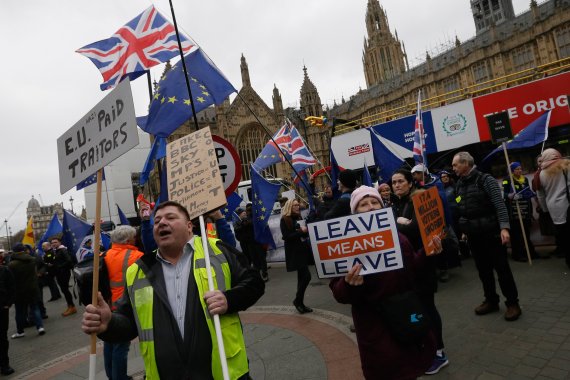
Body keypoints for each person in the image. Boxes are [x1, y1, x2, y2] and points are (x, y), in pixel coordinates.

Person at [82, 201, 264, 380]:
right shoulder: (138, 270)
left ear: (189, 226)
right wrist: (109, 323)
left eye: (170, 217)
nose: (161, 222)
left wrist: (229, 299)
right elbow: (129, 322)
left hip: (223, 372)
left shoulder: (216, 251)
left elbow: (254, 282)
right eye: (157, 220)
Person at [329, 186, 438, 380]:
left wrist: (429, 253)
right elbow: (339, 293)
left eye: (374, 202)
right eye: (363, 204)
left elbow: (414, 269)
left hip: (406, 319)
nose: (370, 207)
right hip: (376, 328)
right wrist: (349, 284)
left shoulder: (400, 238)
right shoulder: (345, 247)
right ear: (354, 213)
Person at [390, 169, 449, 375]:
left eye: (400, 181)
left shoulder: (419, 199)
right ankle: (425, 348)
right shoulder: (396, 204)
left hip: (423, 263)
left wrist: (397, 224)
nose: (396, 185)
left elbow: (417, 229)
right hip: (407, 266)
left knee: (428, 308)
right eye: (394, 182)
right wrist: (401, 223)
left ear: (410, 183)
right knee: (417, 310)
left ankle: (439, 353)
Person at [452, 152, 522, 321]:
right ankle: (491, 300)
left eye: (455, 165)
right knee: (483, 271)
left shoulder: (486, 180)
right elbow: (462, 209)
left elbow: (500, 205)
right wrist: (464, 229)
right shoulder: (459, 184)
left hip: (491, 233)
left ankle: (513, 304)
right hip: (474, 236)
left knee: (502, 269)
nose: (453, 168)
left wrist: (504, 228)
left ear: (466, 163)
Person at [102, 226, 144, 380]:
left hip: (107, 305)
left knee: (109, 342)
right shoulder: (137, 256)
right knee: (121, 344)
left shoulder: (105, 255)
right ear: (128, 240)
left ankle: (111, 375)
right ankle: (119, 378)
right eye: (134, 237)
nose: (135, 239)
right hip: (125, 306)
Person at [536, 148, 570, 268]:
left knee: (563, 235)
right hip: (567, 205)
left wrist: (545, 209)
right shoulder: (565, 166)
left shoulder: (541, 173)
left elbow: (540, 195)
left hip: (554, 208)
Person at [281, 198, 313, 314]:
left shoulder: (299, 217)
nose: (297, 207)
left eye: (297, 205)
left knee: (302, 278)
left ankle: (300, 303)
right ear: (289, 206)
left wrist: (306, 231)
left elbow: (304, 232)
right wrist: (301, 231)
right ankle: (297, 300)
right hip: (295, 253)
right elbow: (286, 236)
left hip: (303, 250)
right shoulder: (285, 219)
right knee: (307, 276)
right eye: (294, 205)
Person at [502, 162, 538, 262]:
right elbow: (503, 193)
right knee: (516, 234)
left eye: (520, 168)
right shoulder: (507, 180)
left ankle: (531, 252)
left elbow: (527, 190)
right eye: (517, 169)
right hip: (514, 211)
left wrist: (530, 193)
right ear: (512, 171)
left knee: (526, 233)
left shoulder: (525, 179)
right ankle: (517, 254)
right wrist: (509, 195)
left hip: (525, 209)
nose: (520, 170)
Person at [8, 244, 45, 339]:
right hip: (32, 289)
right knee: (35, 308)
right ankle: (40, 327)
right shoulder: (32, 260)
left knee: (20, 312)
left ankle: (20, 331)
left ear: (14, 251)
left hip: (19, 291)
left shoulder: (12, 264)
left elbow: (10, 280)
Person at [233, 207, 269, 281]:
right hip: (248, 244)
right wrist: (242, 226)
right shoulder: (238, 223)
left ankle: (264, 273)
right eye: (243, 212)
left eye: (245, 212)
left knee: (261, 257)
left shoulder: (252, 219)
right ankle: (256, 275)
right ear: (239, 215)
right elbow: (238, 235)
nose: (245, 213)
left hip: (257, 242)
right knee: (253, 260)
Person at [47, 237, 77, 316]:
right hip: (60, 273)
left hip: (64, 273)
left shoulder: (62, 250)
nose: (53, 244)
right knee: (64, 290)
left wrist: (59, 266)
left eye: (55, 242)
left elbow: (69, 260)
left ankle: (72, 307)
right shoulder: (56, 251)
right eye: (52, 242)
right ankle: (70, 306)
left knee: (65, 290)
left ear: (59, 243)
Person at [0, 252, 15, 375]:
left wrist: (8, 304)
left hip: (1, 309)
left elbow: (12, 288)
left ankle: (4, 365)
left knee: (2, 338)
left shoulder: (4, 270)